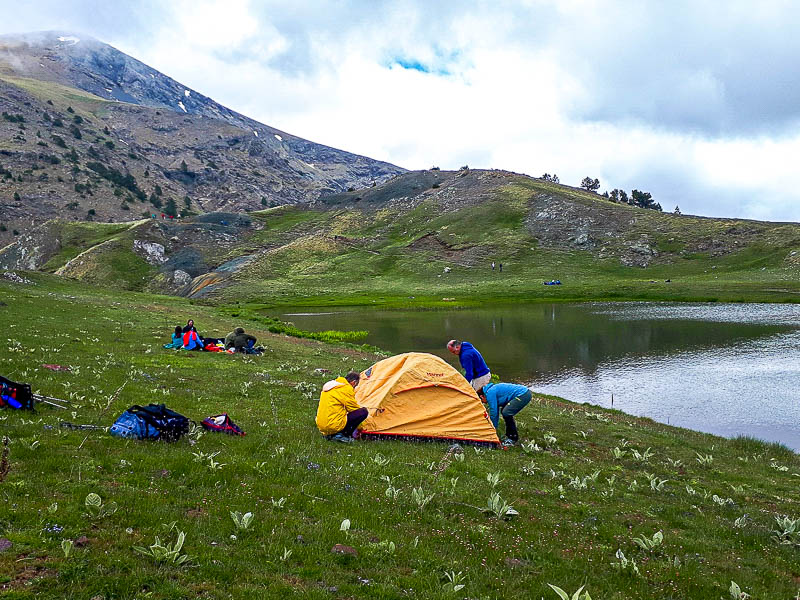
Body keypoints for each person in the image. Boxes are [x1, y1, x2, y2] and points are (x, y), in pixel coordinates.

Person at [315, 371, 368, 443]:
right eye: (355, 386)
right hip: (333, 426)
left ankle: (330, 435)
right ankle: (342, 435)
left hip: (322, 426)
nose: (354, 388)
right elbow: (354, 409)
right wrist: (361, 427)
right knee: (363, 412)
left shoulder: (333, 386)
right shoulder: (346, 389)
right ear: (354, 382)